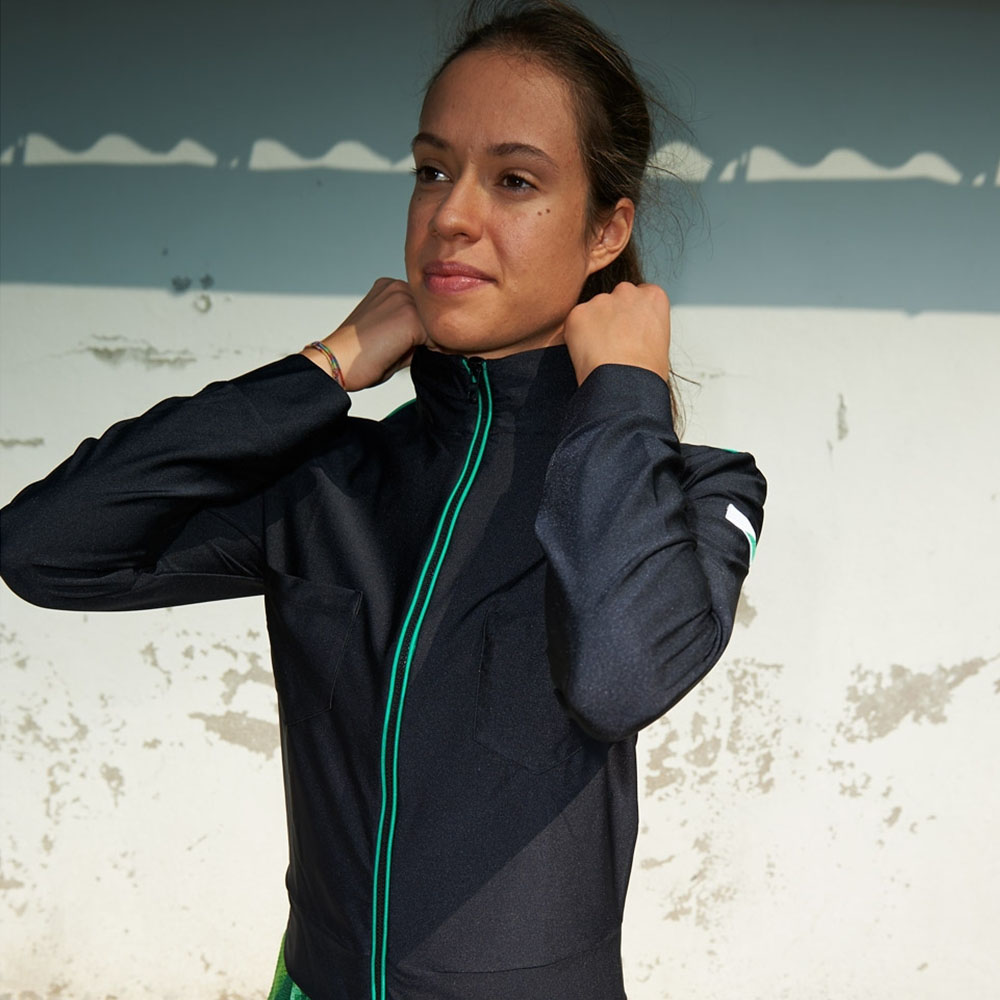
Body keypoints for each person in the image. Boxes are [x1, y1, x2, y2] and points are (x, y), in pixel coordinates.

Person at [0, 1, 766, 997]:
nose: (450, 215)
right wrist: (319, 371)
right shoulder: (330, 482)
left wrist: (623, 392)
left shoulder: (695, 493)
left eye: (515, 180)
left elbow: (618, 677)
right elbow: (44, 548)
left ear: (606, 230)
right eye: (432, 170)